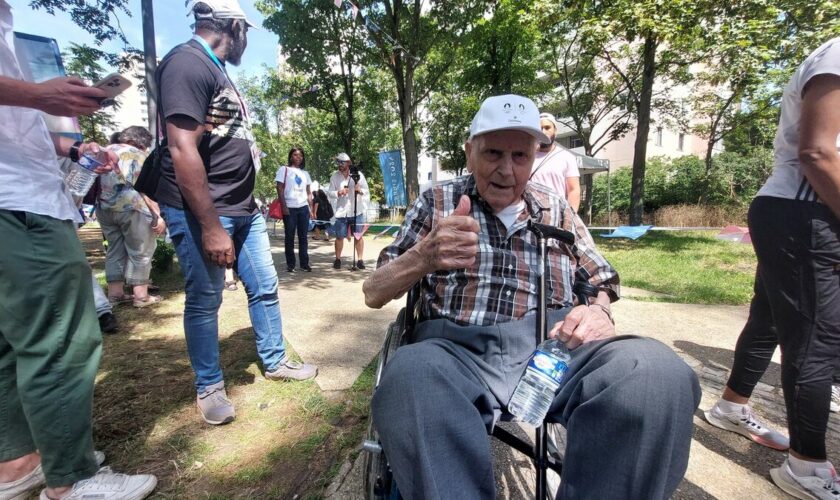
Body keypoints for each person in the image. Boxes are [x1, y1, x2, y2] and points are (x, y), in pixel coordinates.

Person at [362, 94, 700, 499]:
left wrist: (599, 310)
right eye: (493, 153)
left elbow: (602, 277)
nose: (506, 170)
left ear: (535, 156)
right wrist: (423, 256)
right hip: (451, 353)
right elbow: (374, 291)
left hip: (552, 349)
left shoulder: (555, 208)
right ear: (470, 153)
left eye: (520, 156)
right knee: (410, 376)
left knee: (655, 373)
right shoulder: (437, 201)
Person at [0, 1, 157, 498]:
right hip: (19, 202)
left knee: (13, 342)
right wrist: (35, 93)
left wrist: (70, 149)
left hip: (22, 191)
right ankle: (72, 480)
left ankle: (18, 462)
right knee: (62, 338)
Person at [155, 0, 317, 426]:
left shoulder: (216, 70)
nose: (248, 40)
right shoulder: (187, 63)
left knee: (264, 284)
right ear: (232, 26)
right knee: (206, 298)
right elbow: (181, 147)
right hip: (207, 209)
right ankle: (209, 386)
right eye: (246, 30)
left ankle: (275, 360)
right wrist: (209, 226)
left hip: (243, 207)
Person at [704, 36, 840, 499]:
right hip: (805, 211)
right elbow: (819, 152)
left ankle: (730, 407)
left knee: (768, 321)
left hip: (790, 210)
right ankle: (806, 467)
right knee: (816, 339)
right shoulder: (838, 54)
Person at [97, 126, 165, 308]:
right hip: (132, 207)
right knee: (141, 251)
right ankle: (141, 296)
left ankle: (115, 294)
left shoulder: (105, 150)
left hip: (104, 207)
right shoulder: (137, 155)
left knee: (115, 249)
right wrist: (158, 215)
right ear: (138, 142)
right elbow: (145, 188)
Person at [531, 112, 581, 212]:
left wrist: (570, 218)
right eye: (539, 128)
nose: (543, 131)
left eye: (547, 127)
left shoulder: (567, 157)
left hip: (556, 216)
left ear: (555, 131)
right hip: (529, 217)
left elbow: (574, 190)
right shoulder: (525, 156)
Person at [328, 153, 368, 269]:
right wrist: (338, 193)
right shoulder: (334, 177)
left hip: (356, 211)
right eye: (338, 162)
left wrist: (359, 190)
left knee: (358, 236)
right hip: (341, 212)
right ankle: (337, 259)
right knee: (339, 236)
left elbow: (366, 191)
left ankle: (360, 260)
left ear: (348, 163)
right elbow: (330, 193)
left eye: (342, 162)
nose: (340, 165)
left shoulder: (358, 175)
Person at [275, 148, 313, 272]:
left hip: (303, 208)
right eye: (295, 155)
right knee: (289, 237)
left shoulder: (305, 173)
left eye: (301, 155)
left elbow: (308, 192)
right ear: (291, 157)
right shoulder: (284, 170)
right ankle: (290, 264)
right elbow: (279, 188)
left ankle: (304, 263)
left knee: (303, 237)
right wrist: (284, 206)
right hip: (290, 207)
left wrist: (311, 208)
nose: (298, 157)